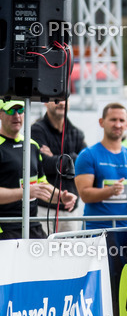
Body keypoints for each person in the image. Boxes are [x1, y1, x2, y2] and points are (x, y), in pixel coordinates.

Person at [0, 100, 75, 239]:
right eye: (10, 111)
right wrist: (25, 192)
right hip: (4, 228)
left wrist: (61, 196)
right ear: (0, 114)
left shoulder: (31, 145)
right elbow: (32, 190)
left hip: (32, 225)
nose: (16, 116)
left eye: (21, 111)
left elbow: (41, 185)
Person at [74, 103, 127, 230]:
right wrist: (110, 191)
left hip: (125, 229)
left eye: (121, 120)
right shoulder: (88, 155)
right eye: (113, 120)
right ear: (101, 122)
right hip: (95, 230)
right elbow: (84, 195)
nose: (118, 125)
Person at [31, 99, 83, 232]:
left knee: (70, 252)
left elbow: (83, 165)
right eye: (56, 99)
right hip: (43, 208)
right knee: (42, 251)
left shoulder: (77, 133)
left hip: (70, 208)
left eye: (65, 99)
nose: (61, 103)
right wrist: (71, 158)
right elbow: (41, 165)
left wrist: (54, 156)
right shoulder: (36, 130)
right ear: (45, 102)